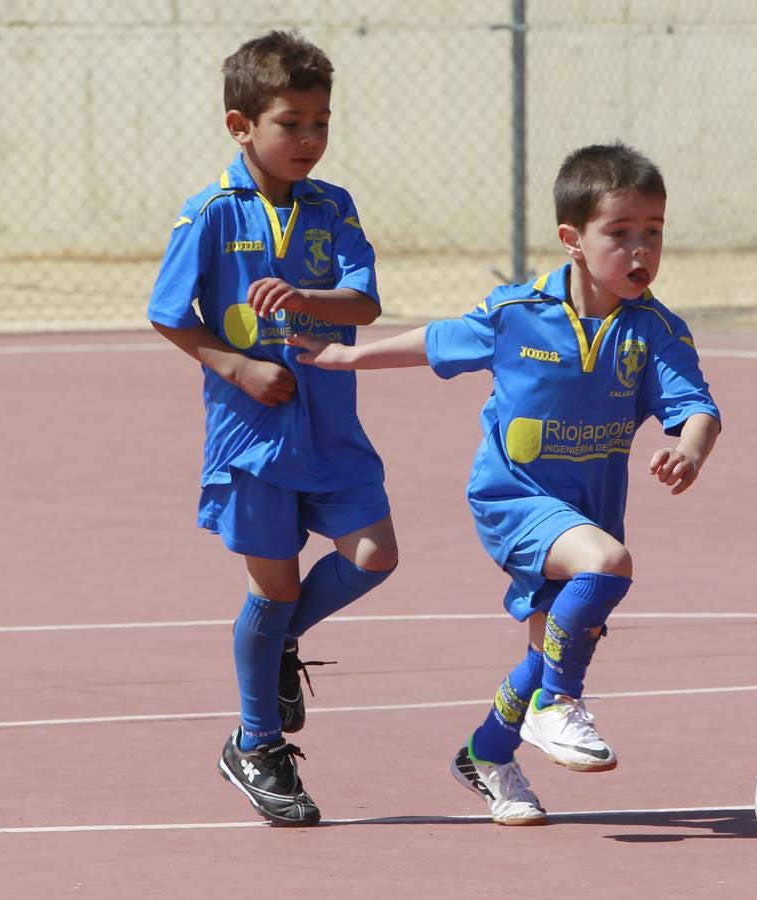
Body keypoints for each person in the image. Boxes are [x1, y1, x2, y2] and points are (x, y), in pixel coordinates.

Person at [290, 143, 722, 825]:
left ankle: (487, 754)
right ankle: (557, 706)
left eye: (654, 232)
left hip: (589, 508)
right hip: (512, 499)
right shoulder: (519, 313)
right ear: (572, 241)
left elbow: (697, 407)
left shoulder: (655, 332)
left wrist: (689, 450)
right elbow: (436, 340)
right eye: (620, 233)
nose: (641, 249)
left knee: (549, 643)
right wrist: (348, 356)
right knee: (607, 568)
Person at [146, 31, 399, 827]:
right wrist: (236, 366)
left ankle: (280, 640)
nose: (310, 140)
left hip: (331, 428)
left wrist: (306, 300)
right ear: (240, 125)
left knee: (374, 555)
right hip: (251, 436)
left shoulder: (334, 207)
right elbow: (167, 315)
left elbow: (365, 304)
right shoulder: (212, 214)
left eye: (321, 122)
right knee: (273, 584)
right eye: (291, 123)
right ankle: (257, 746)